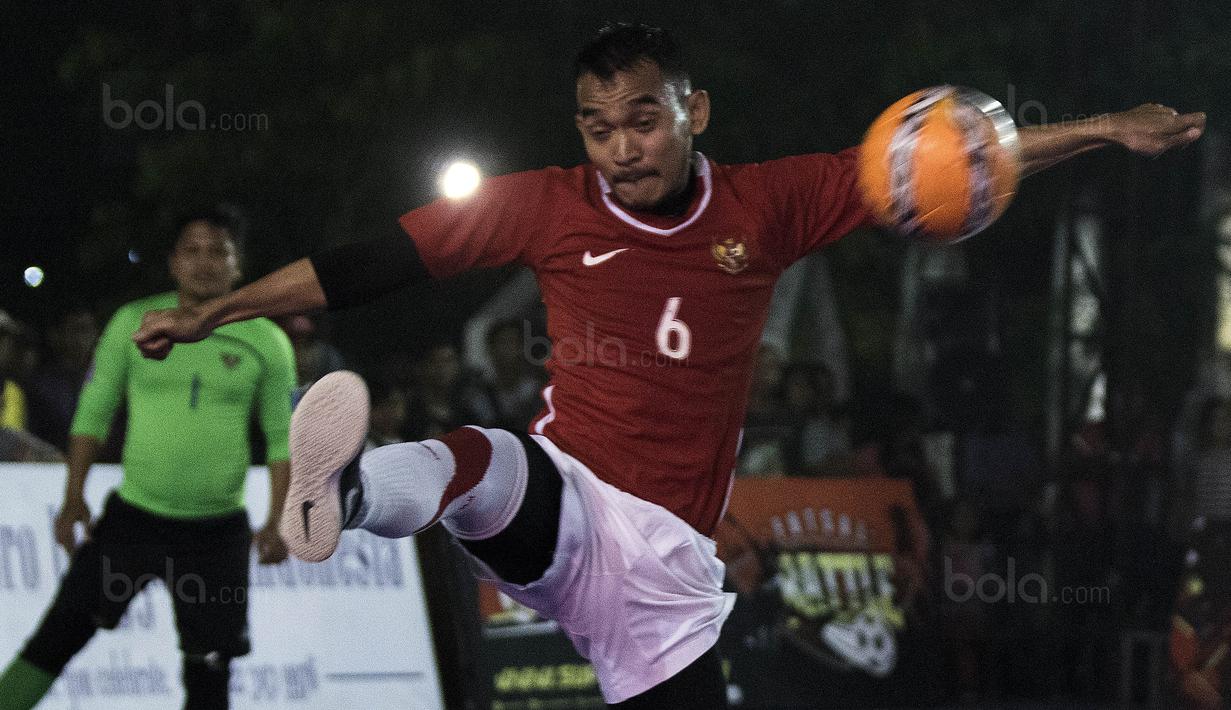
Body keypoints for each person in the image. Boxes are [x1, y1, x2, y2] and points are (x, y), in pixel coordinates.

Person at [131, 23, 1205, 708]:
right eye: (596, 126)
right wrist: (218, 309)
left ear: (692, 113)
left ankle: (368, 486)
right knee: (482, 456)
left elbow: (963, 153)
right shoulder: (542, 203)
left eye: (640, 120)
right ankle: (351, 489)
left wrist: (1110, 127)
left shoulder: (767, 206)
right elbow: (371, 263)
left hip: (669, 576)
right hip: (568, 506)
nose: (618, 147)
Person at [0, 205, 297, 710]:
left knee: (210, 669)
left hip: (216, 532)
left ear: (238, 265)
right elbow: (93, 413)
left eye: (218, 251)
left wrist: (279, 520)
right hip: (133, 520)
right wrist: (73, 498)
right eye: (192, 250)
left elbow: (283, 440)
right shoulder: (134, 323)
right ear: (173, 262)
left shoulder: (268, 342)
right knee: (55, 640)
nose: (204, 262)